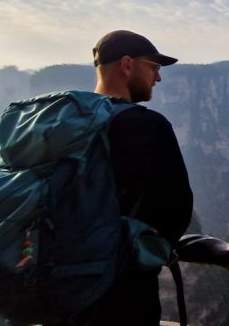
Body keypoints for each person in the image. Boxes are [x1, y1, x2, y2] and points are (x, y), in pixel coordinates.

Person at [64, 30, 194, 325]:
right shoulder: (148, 126)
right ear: (127, 65)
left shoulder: (66, 123)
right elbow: (176, 211)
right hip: (119, 296)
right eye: (153, 67)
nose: (157, 78)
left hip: (55, 290)